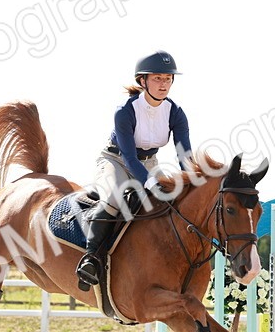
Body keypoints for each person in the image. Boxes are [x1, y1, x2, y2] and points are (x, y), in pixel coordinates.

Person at [76, 50, 194, 290]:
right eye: (157, 78)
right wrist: (150, 183)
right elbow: (129, 157)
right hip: (116, 160)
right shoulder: (125, 110)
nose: (164, 84)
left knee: (172, 201)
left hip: (150, 162)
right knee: (114, 197)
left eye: (168, 79)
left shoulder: (176, 112)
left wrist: (192, 182)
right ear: (143, 81)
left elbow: (184, 155)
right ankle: (91, 258)